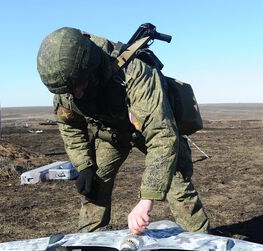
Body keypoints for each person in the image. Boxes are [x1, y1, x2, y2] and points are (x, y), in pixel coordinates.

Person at [36, 26, 210, 235]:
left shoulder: (136, 74)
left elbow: (162, 136)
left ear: (90, 65)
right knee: (94, 187)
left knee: (178, 186)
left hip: (152, 131)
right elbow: (70, 127)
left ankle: (207, 247)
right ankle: (86, 247)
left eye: (80, 85)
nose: (78, 94)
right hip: (113, 135)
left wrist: (146, 200)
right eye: (70, 90)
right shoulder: (67, 86)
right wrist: (84, 166)